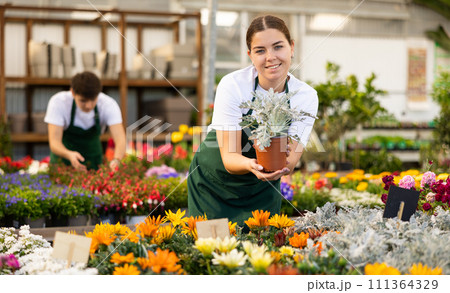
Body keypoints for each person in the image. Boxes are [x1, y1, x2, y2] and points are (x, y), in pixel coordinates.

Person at [187, 15, 319, 229]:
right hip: (212, 187)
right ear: (250, 55)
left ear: (291, 47)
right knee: (209, 255)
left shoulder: (305, 96)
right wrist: (253, 165)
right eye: (260, 51)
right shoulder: (234, 85)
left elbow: (291, 160)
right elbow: (229, 158)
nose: (270, 57)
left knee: (262, 251)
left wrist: (276, 167)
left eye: (278, 47)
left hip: (262, 189)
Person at [45, 71, 126, 171]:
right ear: (73, 93)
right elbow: (54, 143)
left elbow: (120, 139)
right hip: (63, 164)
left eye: (93, 100)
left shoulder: (108, 105)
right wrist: (69, 154)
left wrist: (116, 160)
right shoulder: (59, 103)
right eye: (83, 100)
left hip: (94, 163)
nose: (89, 106)